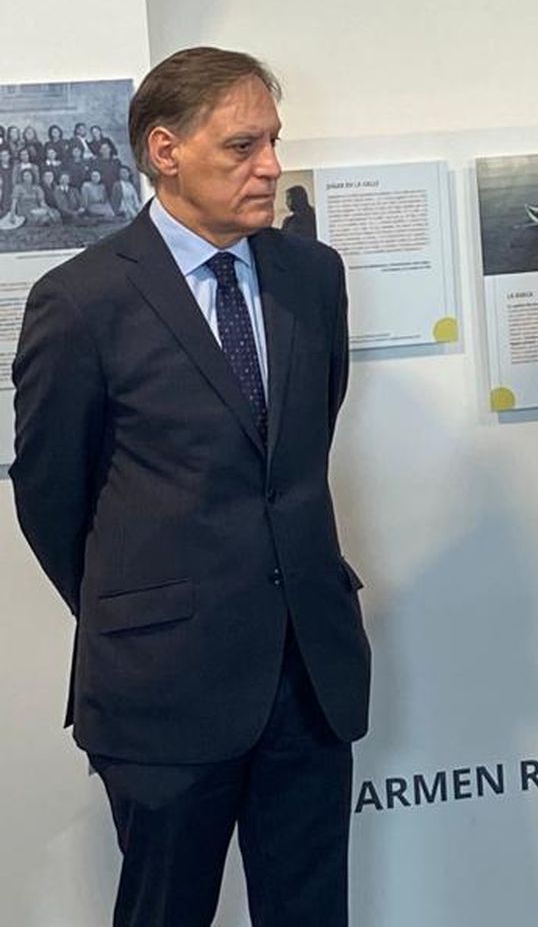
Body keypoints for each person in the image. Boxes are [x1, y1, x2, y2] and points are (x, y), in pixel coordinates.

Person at [12, 46, 370, 927]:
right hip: (162, 687)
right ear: (165, 151)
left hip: (307, 674)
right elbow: (50, 499)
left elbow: (296, 454)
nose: (271, 166)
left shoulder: (313, 276)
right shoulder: (82, 301)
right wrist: (144, 611)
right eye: (243, 146)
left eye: (274, 141)